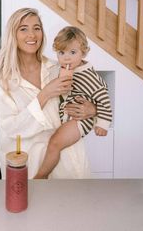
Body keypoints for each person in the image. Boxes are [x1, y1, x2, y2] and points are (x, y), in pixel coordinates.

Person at [0, 8, 96, 179]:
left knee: (77, 204)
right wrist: (44, 94)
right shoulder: (1, 82)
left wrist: (92, 109)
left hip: (68, 161)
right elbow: (12, 129)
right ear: (13, 35)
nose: (32, 35)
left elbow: (88, 98)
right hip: (30, 166)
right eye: (23, 28)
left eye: (36, 28)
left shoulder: (59, 68)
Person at [34, 26, 112, 179]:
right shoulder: (64, 69)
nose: (66, 58)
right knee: (55, 143)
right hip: (70, 117)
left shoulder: (88, 76)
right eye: (61, 53)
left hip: (80, 121)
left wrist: (102, 123)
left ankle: (41, 176)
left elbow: (103, 97)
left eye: (73, 52)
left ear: (84, 52)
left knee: (54, 143)